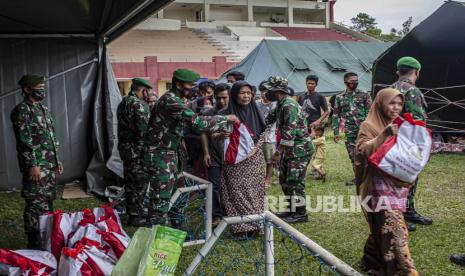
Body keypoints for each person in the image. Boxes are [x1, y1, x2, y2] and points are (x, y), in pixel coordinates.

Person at [144, 69, 239, 226]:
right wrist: (225, 118)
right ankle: (154, 242)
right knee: (160, 202)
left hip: (171, 154)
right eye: (190, 85)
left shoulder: (177, 100)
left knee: (178, 195)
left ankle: (176, 231)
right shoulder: (170, 101)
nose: (193, 88)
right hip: (160, 157)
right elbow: (198, 123)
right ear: (179, 84)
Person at [355, 88, 418, 275]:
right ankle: (403, 270)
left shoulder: (401, 124)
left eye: (400, 103)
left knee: (381, 225)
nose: (396, 107)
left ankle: (372, 261)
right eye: (392, 103)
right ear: (382, 103)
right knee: (395, 228)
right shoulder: (369, 125)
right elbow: (361, 152)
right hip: (377, 186)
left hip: (397, 185)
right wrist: (384, 134)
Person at [11, 74, 63, 249]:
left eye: (43, 86)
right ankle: (34, 241)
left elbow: (50, 136)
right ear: (26, 89)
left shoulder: (43, 108)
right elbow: (25, 141)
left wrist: (57, 160)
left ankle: (45, 235)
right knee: (35, 202)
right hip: (36, 166)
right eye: (37, 87)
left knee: (47, 199)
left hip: (48, 164)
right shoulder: (22, 111)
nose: (42, 90)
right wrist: (32, 164)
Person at [219, 81, 266, 237]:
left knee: (254, 192)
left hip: (254, 160)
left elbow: (264, 133)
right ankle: (241, 229)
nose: (246, 96)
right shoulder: (225, 113)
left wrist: (255, 149)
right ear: (234, 95)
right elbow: (212, 133)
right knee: (236, 193)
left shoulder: (257, 110)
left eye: (249, 93)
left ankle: (256, 225)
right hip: (234, 162)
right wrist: (220, 135)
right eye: (242, 93)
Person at [265, 76, 314, 224]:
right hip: (290, 150)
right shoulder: (280, 104)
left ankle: (301, 213)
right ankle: (292, 209)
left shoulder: (289, 105)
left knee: (295, 181)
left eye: (269, 89)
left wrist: (277, 153)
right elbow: (268, 120)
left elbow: (289, 134)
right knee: (284, 179)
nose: (266, 92)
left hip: (300, 149)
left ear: (278, 90)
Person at [391, 56, 433, 229]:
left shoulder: (389, 89)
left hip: (391, 140)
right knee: (406, 178)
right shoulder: (412, 91)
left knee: (399, 178)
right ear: (417, 72)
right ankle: (399, 217)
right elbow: (417, 120)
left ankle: (407, 211)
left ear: (397, 71)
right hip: (408, 141)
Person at [116, 78, 152, 226]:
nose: (147, 94)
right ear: (143, 90)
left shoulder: (123, 102)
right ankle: (135, 216)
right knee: (139, 183)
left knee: (131, 181)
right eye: (147, 91)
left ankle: (134, 211)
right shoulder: (139, 105)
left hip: (126, 149)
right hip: (137, 151)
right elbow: (144, 131)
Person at [332, 72, 372, 186]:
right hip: (350, 131)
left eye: (356, 81)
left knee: (366, 153)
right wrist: (335, 132)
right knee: (353, 154)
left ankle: (369, 176)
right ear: (346, 82)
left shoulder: (364, 94)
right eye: (352, 81)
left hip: (365, 130)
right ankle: (358, 177)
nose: (355, 83)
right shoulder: (340, 97)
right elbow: (335, 115)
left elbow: (371, 112)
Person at [201, 83, 231, 225]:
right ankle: (216, 215)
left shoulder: (235, 113)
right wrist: (206, 152)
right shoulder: (208, 113)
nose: (221, 101)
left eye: (224, 98)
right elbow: (204, 133)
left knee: (230, 185)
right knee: (214, 186)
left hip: (232, 157)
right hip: (214, 156)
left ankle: (230, 211)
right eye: (218, 98)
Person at [256, 81, 277, 187]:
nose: (264, 93)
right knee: (257, 161)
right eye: (262, 91)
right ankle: (258, 179)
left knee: (269, 161)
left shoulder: (275, 104)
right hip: (256, 137)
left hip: (269, 138)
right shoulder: (256, 104)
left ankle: (267, 181)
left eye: (267, 91)